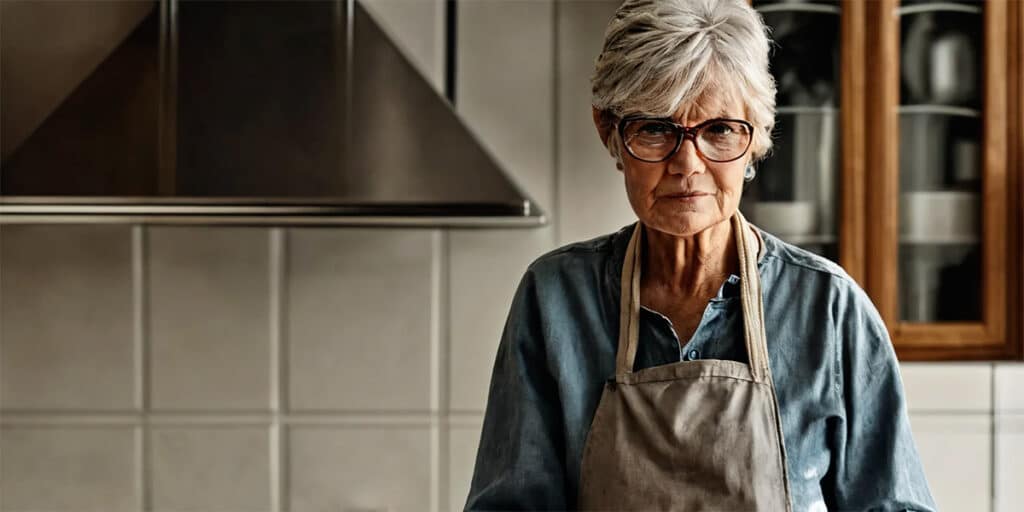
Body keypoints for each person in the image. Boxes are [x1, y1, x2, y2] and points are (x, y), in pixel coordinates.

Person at [464, 0, 937, 510]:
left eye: (719, 130)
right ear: (610, 134)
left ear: (755, 138)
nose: (687, 165)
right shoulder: (555, 298)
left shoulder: (828, 308)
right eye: (655, 128)